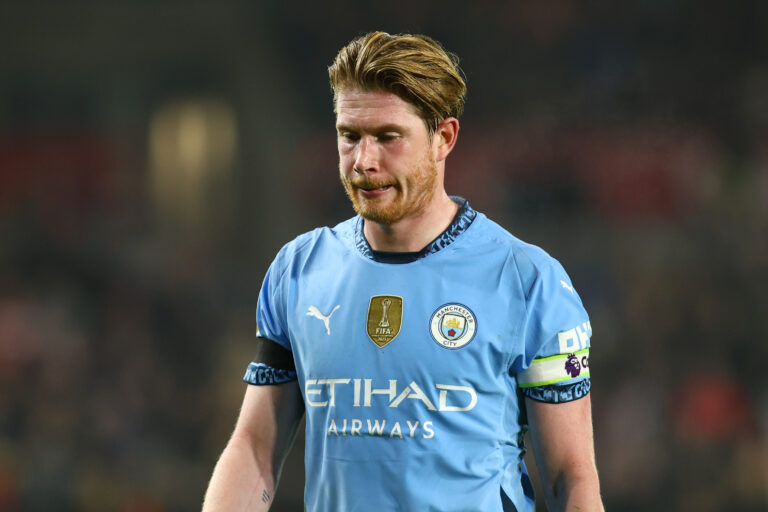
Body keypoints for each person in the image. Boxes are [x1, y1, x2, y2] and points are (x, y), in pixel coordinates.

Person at [202, 31, 603, 512]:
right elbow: (254, 451)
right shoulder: (298, 269)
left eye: (388, 137)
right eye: (349, 136)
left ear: (444, 138)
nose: (364, 161)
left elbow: (570, 478)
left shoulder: (527, 281)